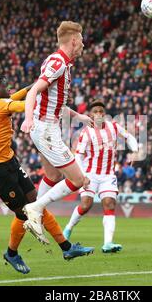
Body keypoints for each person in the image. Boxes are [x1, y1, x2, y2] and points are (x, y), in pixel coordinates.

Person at [0, 73, 93, 274]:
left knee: (36, 203)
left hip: (9, 162)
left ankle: (67, 248)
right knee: (24, 213)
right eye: (5, 85)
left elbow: (21, 94)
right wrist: (45, 99)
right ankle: (12, 253)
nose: (9, 88)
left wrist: (41, 83)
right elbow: (25, 104)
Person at [20, 21, 93, 244]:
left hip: (48, 127)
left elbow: (54, 102)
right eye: (81, 39)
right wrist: (29, 118)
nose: (83, 43)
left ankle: (35, 218)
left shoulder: (64, 64)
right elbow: (34, 91)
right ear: (73, 40)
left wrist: (78, 116)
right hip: (45, 129)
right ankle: (35, 209)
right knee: (80, 180)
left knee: (52, 176)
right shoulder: (57, 62)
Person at [63, 100, 138, 253]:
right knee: (86, 204)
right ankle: (68, 229)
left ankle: (108, 243)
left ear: (105, 114)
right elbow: (78, 156)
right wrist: (83, 176)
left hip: (108, 175)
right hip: (89, 174)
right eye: (95, 111)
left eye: (101, 111)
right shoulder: (86, 132)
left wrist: (135, 151)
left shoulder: (114, 127)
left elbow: (129, 137)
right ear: (91, 115)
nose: (99, 114)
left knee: (110, 204)